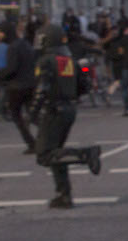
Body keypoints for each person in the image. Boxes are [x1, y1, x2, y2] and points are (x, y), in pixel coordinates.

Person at [29, 23, 102, 208]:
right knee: (57, 153)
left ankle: (85, 154)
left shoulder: (46, 60)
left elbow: (42, 87)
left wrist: (33, 111)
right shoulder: (69, 59)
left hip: (54, 109)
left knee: (44, 154)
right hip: (69, 109)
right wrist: (84, 68)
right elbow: (84, 85)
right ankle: (64, 194)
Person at [0, 22, 38, 152]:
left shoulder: (12, 47)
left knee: (16, 115)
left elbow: (11, 69)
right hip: (31, 83)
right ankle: (48, 138)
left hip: (16, 87)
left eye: (0, 32)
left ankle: (31, 143)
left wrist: (0, 74)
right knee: (33, 114)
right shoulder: (25, 44)